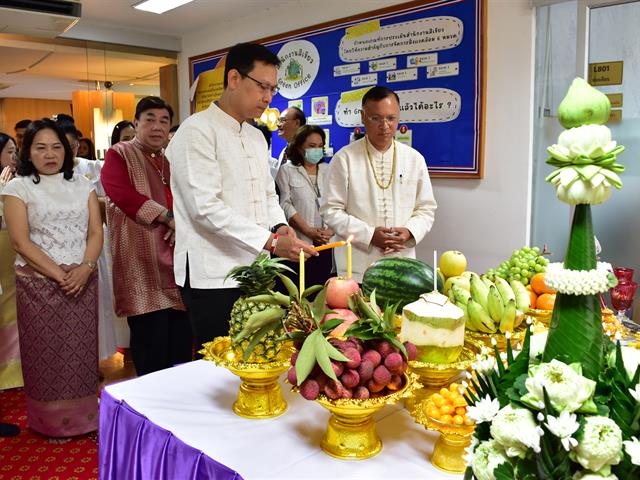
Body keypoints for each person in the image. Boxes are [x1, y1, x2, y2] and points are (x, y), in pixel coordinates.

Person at [166, 42, 317, 354]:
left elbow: (265, 192)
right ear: (234, 79)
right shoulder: (196, 131)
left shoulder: (254, 136)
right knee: (220, 364)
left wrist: (279, 226)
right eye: (262, 86)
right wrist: (272, 242)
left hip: (256, 268)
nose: (268, 98)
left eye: (273, 89)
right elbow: (204, 209)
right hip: (213, 275)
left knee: (261, 355)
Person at [2, 119, 102, 438]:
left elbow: (96, 231)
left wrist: (86, 267)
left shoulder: (82, 184)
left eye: (57, 146)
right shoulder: (17, 187)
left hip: (82, 281)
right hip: (39, 285)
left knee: (81, 352)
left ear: (68, 150)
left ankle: (86, 419)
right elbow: (21, 241)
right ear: (28, 152)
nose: (50, 154)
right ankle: (48, 423)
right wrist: (61, 275)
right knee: (46, 355)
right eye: (41, 147)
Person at [101, 96, 192, 376]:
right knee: (150, 344)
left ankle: (178, 401)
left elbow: (188, 199)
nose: (157, 126)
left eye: (164, 121)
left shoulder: (170, 160)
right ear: (136, 122)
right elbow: (121, 193)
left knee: (179, 343)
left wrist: (184, 227)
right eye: (149, 119)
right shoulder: (120, 153)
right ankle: (151, 406)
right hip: (140, 263)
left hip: (175, 262)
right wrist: (169, 220)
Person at [320, 86, 437, 282]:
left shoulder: (414, 159)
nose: (385, 125)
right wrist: (369, 235)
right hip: (357, 265)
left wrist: (409, 232)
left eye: (391, 118)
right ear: (363, 117)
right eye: (376, 118)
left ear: (399, 117)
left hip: (403, 263)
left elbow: (426, 208)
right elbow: (330, 210)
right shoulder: (344, 158)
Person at [58, 121, 118, 362]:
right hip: (59, 250)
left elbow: (108, 205)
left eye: (72, 146)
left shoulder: (91, 168)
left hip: (91, 247)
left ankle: (92, 358)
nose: (67, 151)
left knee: (94, 305)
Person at [276, 125, 334, 285]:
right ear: (300, 147)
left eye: (320, 146)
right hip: (300, 242)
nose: (317, 150)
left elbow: (337, 202)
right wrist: (309, 231)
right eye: (312, 146)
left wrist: (330, 231)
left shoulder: (328, 169)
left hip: (327, 242)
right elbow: (285, 204)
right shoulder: (287, 171)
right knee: (299, 287)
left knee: (322, 289)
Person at [0, 133, 23, 390]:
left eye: (15, 151)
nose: (14, 157)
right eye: (9, 151)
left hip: (13, 252)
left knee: (12, 310)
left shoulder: (18, 182)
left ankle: (14, 373)